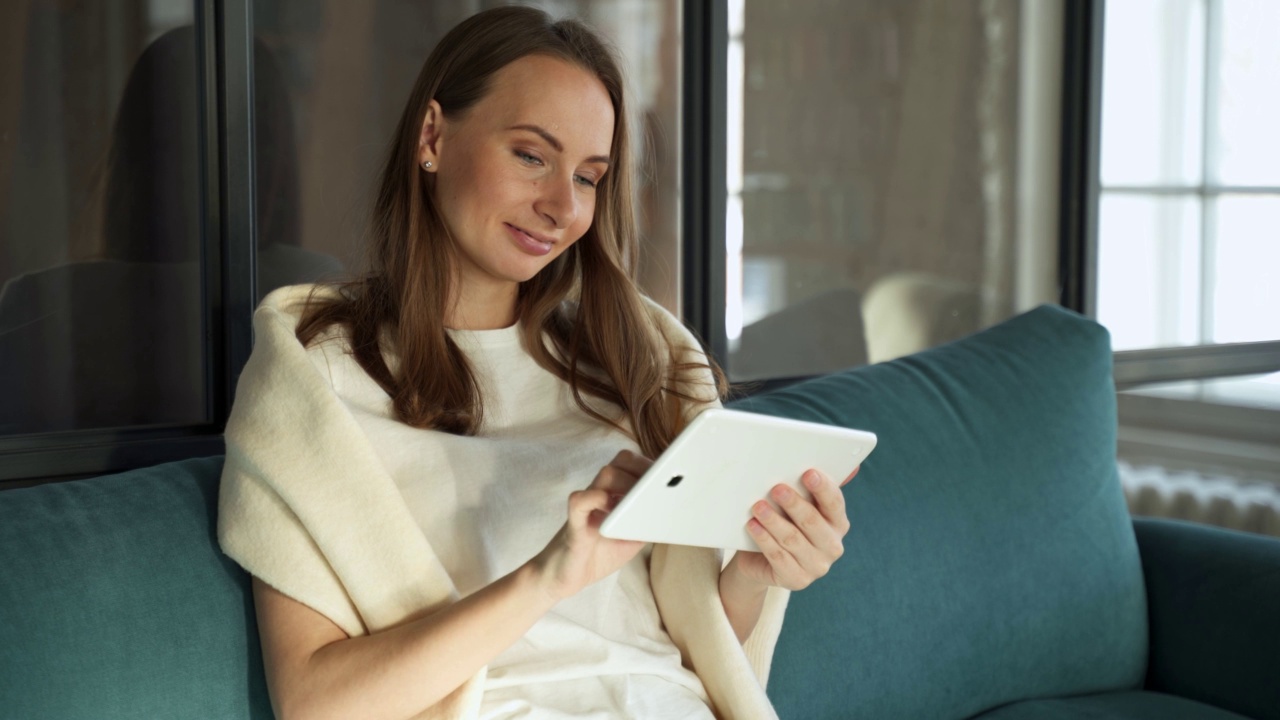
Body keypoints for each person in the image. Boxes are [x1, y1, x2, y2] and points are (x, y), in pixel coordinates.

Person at [217, 6, 854, 719]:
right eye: (531, 156)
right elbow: (315, 704)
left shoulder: (635, 359)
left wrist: (755, 574)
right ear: (432, 136)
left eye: (589, 177)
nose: (561, 208)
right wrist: (547, 577)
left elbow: (684, 649)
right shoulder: (318, 376)